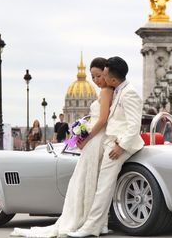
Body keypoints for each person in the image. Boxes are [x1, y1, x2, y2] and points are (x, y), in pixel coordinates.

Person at [11, 57, 115, 237]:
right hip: (93, 137)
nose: (96, 80)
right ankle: (92, 220)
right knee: (86, 180)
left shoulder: (106, 91)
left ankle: (88, 220)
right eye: (93, 77)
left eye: (98, 76)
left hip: (95, 138)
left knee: (87, 180)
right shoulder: (103, 91)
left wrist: (86, 136)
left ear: (106, 73)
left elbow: (102, 119)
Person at [68, 56, 144, 237]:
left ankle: (91, 227)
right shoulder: (118, 90)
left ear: (113, 78)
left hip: (119, 145)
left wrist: (121, 146)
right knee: (101, 184)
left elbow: (134, 125)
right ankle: (98, 225)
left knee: (103, 186)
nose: (101, 76)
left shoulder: (129, 93)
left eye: (104, 73)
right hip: (111, 141)